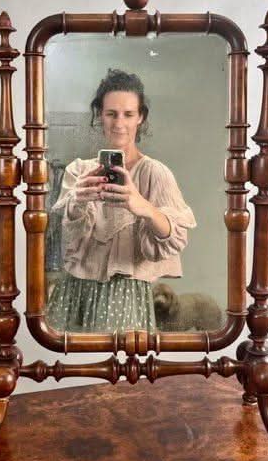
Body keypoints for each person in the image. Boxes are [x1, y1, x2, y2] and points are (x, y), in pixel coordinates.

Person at [46, 68, 196, 333]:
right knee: (70, 358)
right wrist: (77, 202)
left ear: (141, 117)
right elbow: (65, 241)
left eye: (128, 114)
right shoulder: (78, 171)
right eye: (111, 113)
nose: (119, 123)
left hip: (124, 293)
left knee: (120, 359)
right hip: (73, 291)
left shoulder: (155, 173)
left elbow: (175, 239)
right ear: (99, 116)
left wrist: (143, 206)